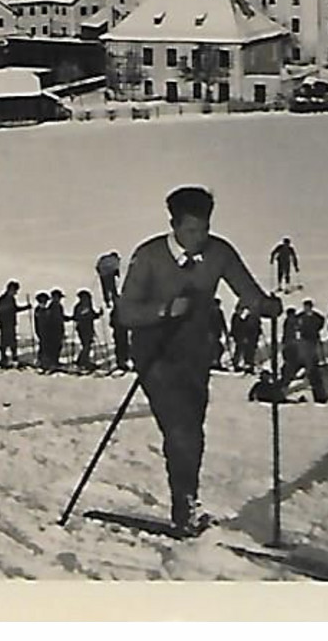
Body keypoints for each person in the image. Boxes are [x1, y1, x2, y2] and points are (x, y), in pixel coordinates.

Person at [119, 185, 282, 536]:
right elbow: (125, 313)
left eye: (205, 228)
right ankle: (186, 508)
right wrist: (164, 310)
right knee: (182, 428)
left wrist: (265, 306)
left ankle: (186, 500)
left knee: (192, 429)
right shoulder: (147, 255)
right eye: (192, 230)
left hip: (195, 351)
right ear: (174, 226)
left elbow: (247, 291)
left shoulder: (219, 252)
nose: (199, 237)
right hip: (155, 351)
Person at [98, 250, 131, 371]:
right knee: (123, 345)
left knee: (107, 289)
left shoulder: (104, 260)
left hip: (103, 275)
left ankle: (108, 298)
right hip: (121, 329)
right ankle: (123, 361)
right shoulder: (114, 261)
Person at [0, 281, 25, 367]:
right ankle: (4, 357)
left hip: (11, 322)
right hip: (5, 322)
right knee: (5, 340)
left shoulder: (11, 299)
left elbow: (15, 309)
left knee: (12, 340)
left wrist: (25, 307)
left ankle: (13, 356)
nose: (15, 292)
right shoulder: (3, 298)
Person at [71, 290, 101, 371]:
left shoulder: (88, 306)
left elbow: (92, 315)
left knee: (87, 345)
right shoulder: (79, 307)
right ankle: (83, 361)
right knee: (86, 345)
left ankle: (83, 360)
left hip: (89, 328)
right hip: (83, 329)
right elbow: (77, 317)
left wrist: (98, 314)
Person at [230, 301, 262, 373]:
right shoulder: (241, 318)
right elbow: (244, 328)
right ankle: (241, 363)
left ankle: (247, 364)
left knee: (247, 350)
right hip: (244, 337)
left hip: (250, 337)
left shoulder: (250, 318)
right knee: (243, 350)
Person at [209, 297, 228, 370]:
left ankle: (216, 361)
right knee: (214, 348)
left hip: (217, 333)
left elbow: (223, 323)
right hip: (211, 333)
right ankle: (213, 362)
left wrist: (225, 332)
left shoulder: (219, 312)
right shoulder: (210, 313)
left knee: (219, 348)